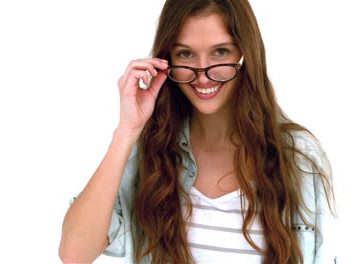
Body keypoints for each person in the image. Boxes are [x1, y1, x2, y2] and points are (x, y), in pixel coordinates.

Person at [59, 0, 337, 263]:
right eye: (186, 54)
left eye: (220, 52)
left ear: (245, 55)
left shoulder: (297, 155)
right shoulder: (148, 153)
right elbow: (74, 254)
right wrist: (126, 131)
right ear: (166, 60)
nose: (202, 74)